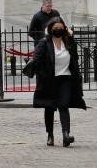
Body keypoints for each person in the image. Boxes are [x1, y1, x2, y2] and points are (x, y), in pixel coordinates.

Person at [32, 16, 86, 146]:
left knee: (63, 105)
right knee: (49, 107)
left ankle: (66, 134)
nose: (58, 30)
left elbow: (75, 59)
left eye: (61, 28)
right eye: (55, 28)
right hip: (49, 79)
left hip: (66, 78)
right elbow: (37, 59)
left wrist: (71, 36)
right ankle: (50, 134)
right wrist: (38, 71)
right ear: (50, 29)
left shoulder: (68, 42)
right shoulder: (45, 42)